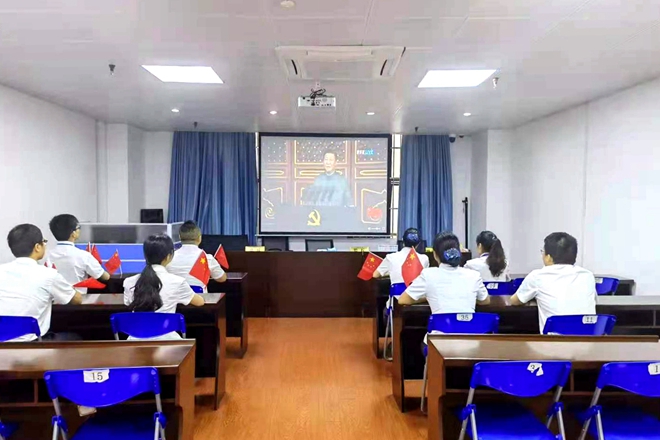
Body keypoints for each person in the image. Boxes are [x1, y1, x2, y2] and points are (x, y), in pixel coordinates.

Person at [0, 224, 83, 341]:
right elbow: (77, 299)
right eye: (44, 242)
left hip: (2, 343)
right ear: (37, 247)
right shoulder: (49, 274)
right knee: (75, 337)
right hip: (34, 345)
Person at [509, 232, 596, 333]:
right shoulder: (587, 275)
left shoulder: (538, 276)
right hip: (588, 340)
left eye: (543, 252)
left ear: (549, 257)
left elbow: (514, 301)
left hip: (554, 341)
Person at [123, 234, 205, 340]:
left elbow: (127, 303)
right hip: (167, 340)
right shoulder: (177, 282)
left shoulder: (129, 282)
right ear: (169, 256)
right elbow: (199, 302)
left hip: (135, 340)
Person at [398, 232, 490, 312]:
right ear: (459, 252)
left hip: (440, 327)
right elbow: (485, 300)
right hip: (469, 327)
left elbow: (403, 300)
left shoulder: (428, 275)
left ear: (435, 254)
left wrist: (427, 297)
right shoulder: (474, 275)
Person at [47, 214, 110, 293]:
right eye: (78, 228)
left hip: (53, 299)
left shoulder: (46, 255)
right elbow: (105, 277)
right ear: (73, 233)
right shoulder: (83, 256)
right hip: (79, 299)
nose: (79, 230)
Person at [166, 220, 227, 292]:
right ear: (199, 238)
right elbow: (222, 278)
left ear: (179, 237)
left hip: (175, 297)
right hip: (200, 298)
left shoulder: (169, 258)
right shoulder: (207, 258)